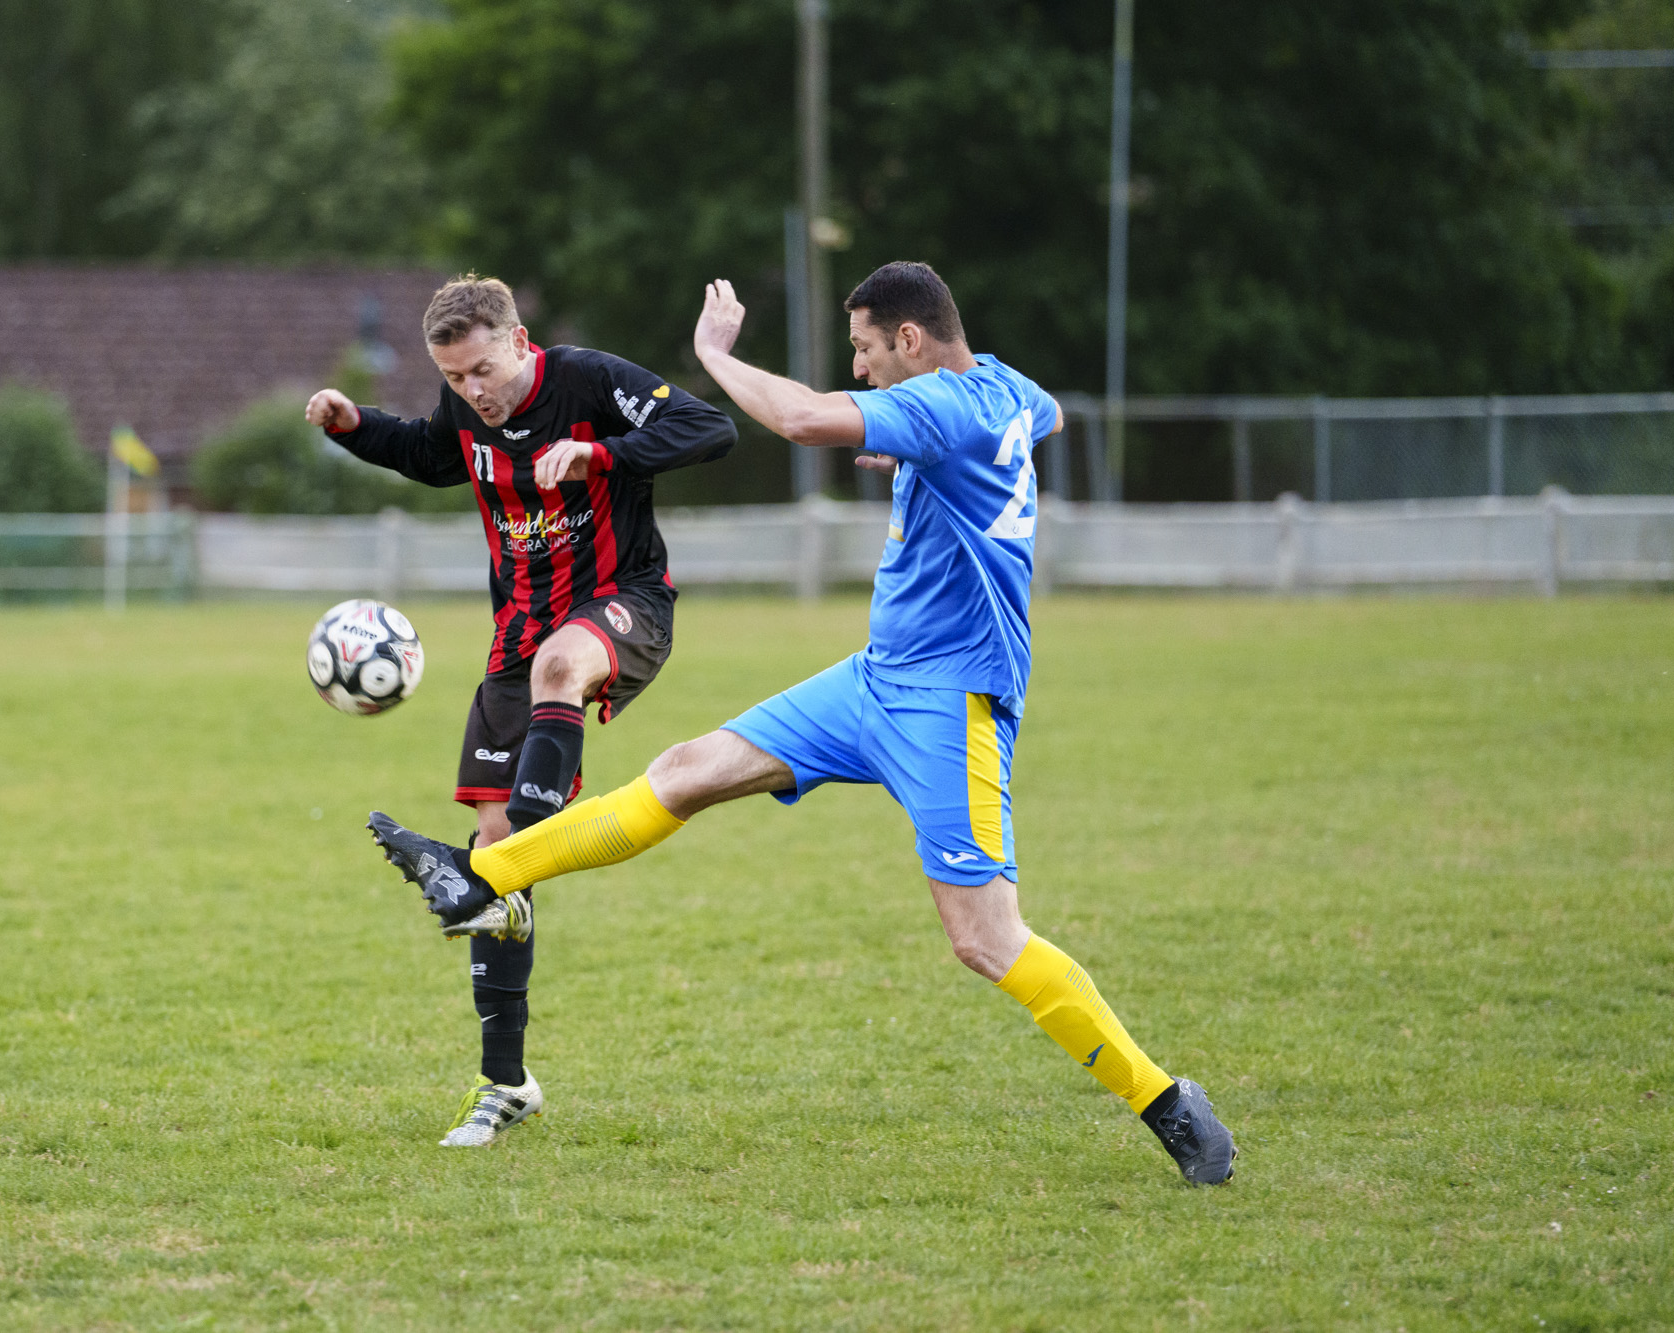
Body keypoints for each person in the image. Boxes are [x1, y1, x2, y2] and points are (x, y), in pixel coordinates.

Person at [368, 262, 1235, 1184]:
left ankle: (1166, 1101)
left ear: (911, 340)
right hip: (873, 678)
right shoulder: (1004, 391)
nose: (859, 368)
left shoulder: (947, 403)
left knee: (985, 939)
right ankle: (480, 876)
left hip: (951, 703)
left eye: (864, 349)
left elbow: (803, 418)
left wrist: (715, 357)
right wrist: (926, 452)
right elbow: (1046, 417)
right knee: (686, 770)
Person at [307, 274, 736, 1146]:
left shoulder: (586, 379)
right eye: (455, 377)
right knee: (495, 848)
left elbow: (708, 428)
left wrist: (597, 455)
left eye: (484, 370)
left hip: (625, 602)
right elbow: (430, 454)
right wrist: (354, 427)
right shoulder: (465, 407)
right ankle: (506, 1082)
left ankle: (494, 876)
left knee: (560, 670)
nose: (474, 390)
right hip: (517, 638)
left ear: (519, 340)